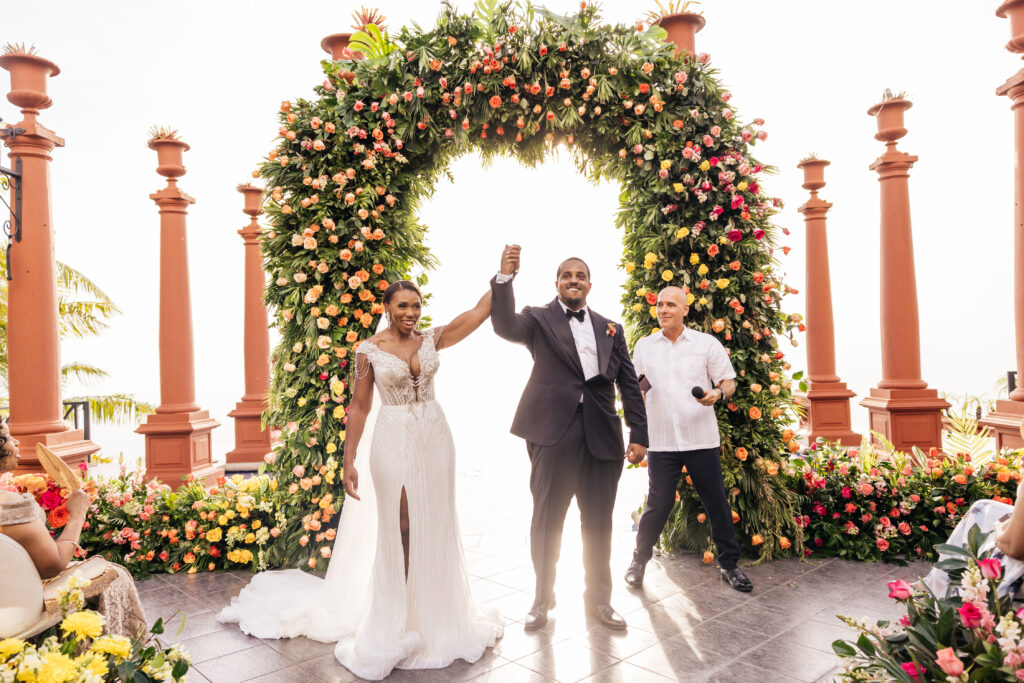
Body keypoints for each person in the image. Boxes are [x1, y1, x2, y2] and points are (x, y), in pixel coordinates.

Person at [220, 280, 502, 682]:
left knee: (433, 521)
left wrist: (503, 276)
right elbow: (360, 405)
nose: (411, 312)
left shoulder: (430, 339)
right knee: (401, 523)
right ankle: (399, 612)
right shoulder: (368, 350)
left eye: (416, 305)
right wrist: (348, 459)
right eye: (402, 305)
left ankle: (433, 610)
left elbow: (477, 314)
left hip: (435, 437)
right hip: (393, 436)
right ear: (387, 306)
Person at [490, 246, 648, 631]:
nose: (573, 280)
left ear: (590, 284)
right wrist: (504, 279)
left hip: (603, 434)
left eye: (580, 275)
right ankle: (542, 600)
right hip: (552, 431)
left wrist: (639, 434)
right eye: (566, 275)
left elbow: (629, 384)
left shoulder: (612, 328)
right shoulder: (538, 319)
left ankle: (599, 601)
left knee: (598, 523)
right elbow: (504, 326)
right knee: (547, 521)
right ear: (557, 283)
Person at [624, 286, 753, 593]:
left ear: (685, 310)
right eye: (659, 304)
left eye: (670, 305)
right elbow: (637, 390)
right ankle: (638, 561)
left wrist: (717, 393)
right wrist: (636, 434)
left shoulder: (705, 343)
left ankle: (730, 565)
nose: (663, 309)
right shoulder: (644, 346)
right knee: (658, 503)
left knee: (716, 501)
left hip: (700, 437)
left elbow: (729, 381)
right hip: (662, 440)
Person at [0, 420, 148, 636]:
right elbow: (54, 564)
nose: (17, 442)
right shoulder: (11, 506)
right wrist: (78, 514)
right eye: (8, 437)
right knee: (115, 575)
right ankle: (113, 658)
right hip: (18, 608)